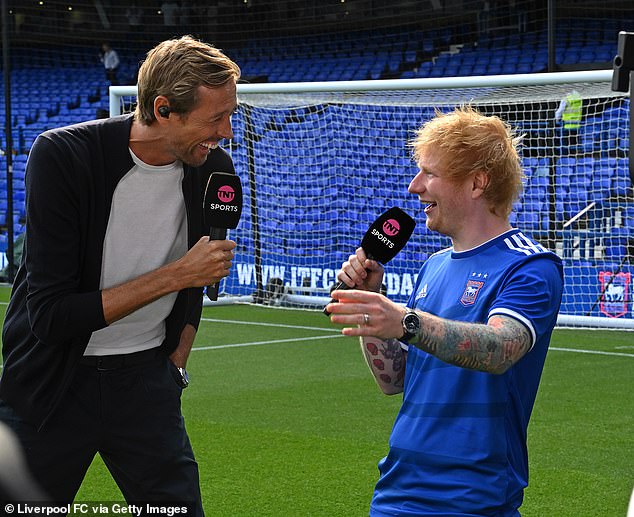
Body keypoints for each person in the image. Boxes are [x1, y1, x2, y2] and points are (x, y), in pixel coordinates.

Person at [0, 35, 241, 514]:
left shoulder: (213, 166)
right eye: (215, 118)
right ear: (164, 108)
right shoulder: (63, 155)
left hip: (146, 383)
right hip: (51, 385)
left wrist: (178, 357)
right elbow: (49, 316)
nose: (227, 131)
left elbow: (202, 269)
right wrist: (176, 275)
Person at [326, 106, 563, 516]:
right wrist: (369, 310)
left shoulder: (530, 266)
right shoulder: (433, 266)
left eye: (429, 174)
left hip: (472, 497)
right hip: (397, 489)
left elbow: (500, 349)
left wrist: (405, 322)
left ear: (477, 183)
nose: (414, 186)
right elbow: (394, 380)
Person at [555, 89, 583, 156]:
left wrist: (556, 119)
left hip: (567, 125)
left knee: (565, 146)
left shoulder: (566, 99)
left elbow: (560, 111)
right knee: (574, 145)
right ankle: (574, 159)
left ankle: (566, 160)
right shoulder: (579, 98)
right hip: (577, 125)